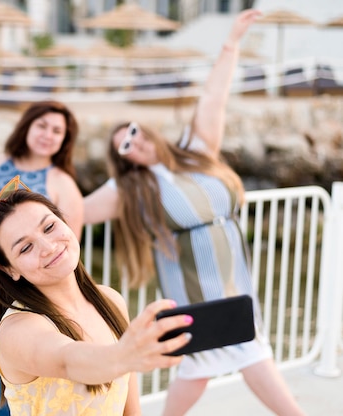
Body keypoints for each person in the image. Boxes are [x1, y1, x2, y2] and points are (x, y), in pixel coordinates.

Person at [83, 9, 306, 416]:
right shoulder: (128, 188)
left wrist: (231, 43)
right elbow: (75, 212)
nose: (131, 144)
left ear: (145, 129)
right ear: (122, 160)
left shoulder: (194, 153)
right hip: (190, 284)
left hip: (234, 275)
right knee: (220, 358)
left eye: (132, 132)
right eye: (122, 147)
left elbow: (214, 97)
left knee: (226, 357)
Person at [0, 177, 192, 414]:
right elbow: (67, 360)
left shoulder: (110, 301)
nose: (48, 247)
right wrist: (124, 355)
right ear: (9, 269)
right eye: (25, 248)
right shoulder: (17, 330)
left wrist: (127, 356)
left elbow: (131, 411)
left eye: (49, 227)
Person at [0, 100, 84, 415]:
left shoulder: (62, 182)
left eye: (57, 130)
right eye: (42, 125)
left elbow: (68, 249)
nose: (48, 134)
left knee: (16, 369)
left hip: (25, 286)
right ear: (27, 126)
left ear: (64, 140)